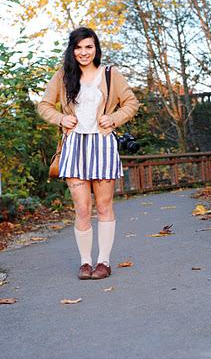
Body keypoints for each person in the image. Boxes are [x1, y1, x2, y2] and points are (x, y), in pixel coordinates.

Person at [38, 27, 139, 280]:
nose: (84, 52)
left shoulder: (110, 74)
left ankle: (103, 262)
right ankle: (85, 263)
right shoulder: (63, 76)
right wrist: (61, 118)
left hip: (103, 146)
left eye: (89, 47)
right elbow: (44, 105)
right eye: (79, 47)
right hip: (73, 147)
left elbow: (131, 103)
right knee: (82, 208)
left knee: (104, 206)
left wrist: (113, 119)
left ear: (96, 49)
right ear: (72, 50)